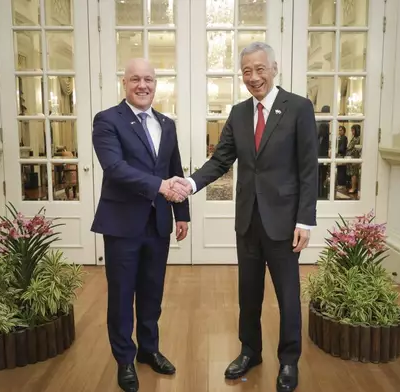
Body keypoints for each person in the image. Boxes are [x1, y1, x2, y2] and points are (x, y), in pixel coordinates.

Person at [174, 42, 318, 392]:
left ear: (274, 68)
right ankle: (250, 351)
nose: (254, 78)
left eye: (259, 69)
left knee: (287, 295)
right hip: (248, 221)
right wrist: (190, 183)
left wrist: (305, 220)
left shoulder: (298, 107)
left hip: (285, 223)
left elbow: (308, 169)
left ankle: (288, 360)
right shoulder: (238, 113)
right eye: (247, 71)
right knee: (248, 293)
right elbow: (221, 160)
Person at [91, 58, 190, 392]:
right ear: (124, 83)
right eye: (135, 79)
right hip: (122, 224)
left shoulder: (167, 123)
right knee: (121, 295)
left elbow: (175, 168)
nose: (143, 85)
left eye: (148, 79)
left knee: (152, 292)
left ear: (156, 83)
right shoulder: (107, 120)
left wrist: (183, 214)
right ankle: (124, 360)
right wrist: (159, 186)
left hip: (158, 222)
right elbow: (115, 168)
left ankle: (149, 350)